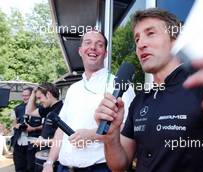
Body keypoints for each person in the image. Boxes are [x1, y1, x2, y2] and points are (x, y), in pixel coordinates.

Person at [94, 8, 203, 172]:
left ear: (175, 40)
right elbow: (119, 165)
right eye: (137, 39)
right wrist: (111, 137)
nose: (141, 44)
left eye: (150, 33)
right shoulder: (139, 101)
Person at [43, 30, 135, 172]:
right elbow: (61, 130)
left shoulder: (120, 85)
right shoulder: (73, 89)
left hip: (100, 168)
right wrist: (49, 162)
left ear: (105, 53)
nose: (93, 47)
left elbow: (128, 128)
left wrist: (91, 135)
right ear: (80, 51)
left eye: (99, 45)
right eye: (88, 43)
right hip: (63, 168)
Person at [25, 83, 63, 172]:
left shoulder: (62, 109)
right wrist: (34, 94)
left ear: (48, 94)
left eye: (39, 98)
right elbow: (29, 111)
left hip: (56, 159)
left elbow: (66, 138)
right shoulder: (47, 108)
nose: (39, 101)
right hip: (45, 155)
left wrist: (45, 142)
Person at [11, 87, 43, 172]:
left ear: (33, 96)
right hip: (19, 142)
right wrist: (17, 125)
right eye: (23, 96)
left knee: (31, 167)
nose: (24, 97)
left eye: (27, 95)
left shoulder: (41, 108)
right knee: (19, 167)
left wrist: (33, 128)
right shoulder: (17, 108)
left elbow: (45, 125)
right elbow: (13, 123)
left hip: (33, 143)